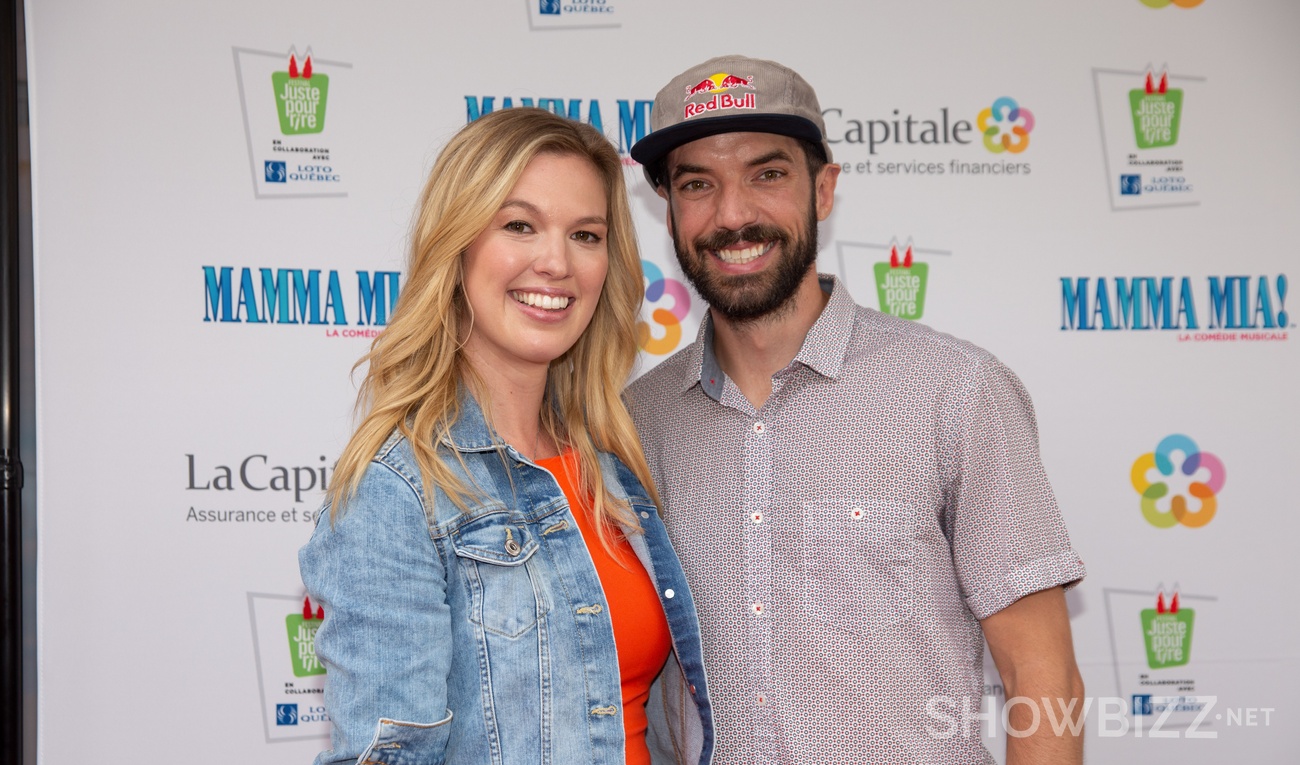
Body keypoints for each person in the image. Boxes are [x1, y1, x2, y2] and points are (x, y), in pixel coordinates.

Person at [626, 55, 1087, 764]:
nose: (734, 214)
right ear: (669, 208)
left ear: (825, 188)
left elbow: (1042, 680)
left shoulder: (956, 390)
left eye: (768, 174)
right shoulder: (632, 424)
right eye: (698, 184)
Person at [299, 108, 713, 765]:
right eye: (519, 225)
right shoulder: (398, 489)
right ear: (457, 243)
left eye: (585, 234)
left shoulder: (613, 459)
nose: (556, 262)